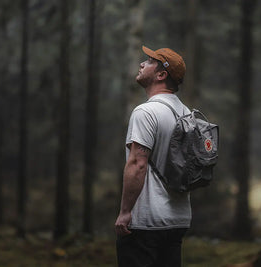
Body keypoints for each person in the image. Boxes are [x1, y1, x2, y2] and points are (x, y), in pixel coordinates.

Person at [115, 46, 191, 267]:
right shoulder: (187, 114)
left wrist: (125, 212)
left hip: (146, 222)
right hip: (178, 219)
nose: (141, 64)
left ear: (161, 75)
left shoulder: (145, 112)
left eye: (148, 61)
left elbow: (138, 164)